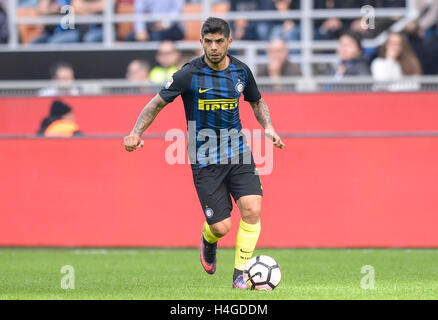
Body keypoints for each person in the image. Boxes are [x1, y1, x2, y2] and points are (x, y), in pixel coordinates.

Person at [123, 17, 285, 289]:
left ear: (229, 42)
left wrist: (268, 126)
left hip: (238, 152)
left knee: (252, 208)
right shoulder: (189, 74)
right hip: (205, 159)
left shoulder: (241, 72)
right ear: (201, 42)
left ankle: (240, 276)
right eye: (207, 42)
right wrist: (135, 133)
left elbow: (256, 101)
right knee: (222, 227)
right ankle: (209, 240)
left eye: (219, 41)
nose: (213, 47)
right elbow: (155, 104)